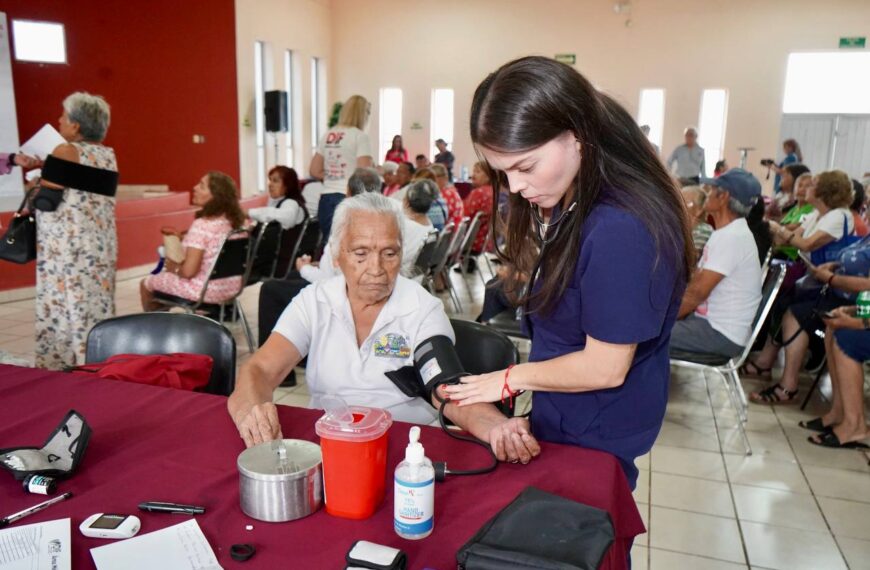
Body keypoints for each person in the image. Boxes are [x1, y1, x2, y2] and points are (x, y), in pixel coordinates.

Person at [443, 57, 692, 494]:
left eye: (525, 166)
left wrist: (506, 379)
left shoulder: (620, 227)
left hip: (595, 430)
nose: (516, 187)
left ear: (577, 136)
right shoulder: (578, 198)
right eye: (504, 172)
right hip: (570, 418)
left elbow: (606, 367)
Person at [229, 192, 542, 467]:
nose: (376, 269)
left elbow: (445, 386)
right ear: (337, 256)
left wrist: (496, 426)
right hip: (328, 445)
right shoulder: (314, 301)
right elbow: (260, 369)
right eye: (361, 253)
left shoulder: (421, 308)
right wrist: (253, 411)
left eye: (389, 253)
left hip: (402, 448)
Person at [747, 171, 857, 402]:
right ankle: (765, 363)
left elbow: (805, 243)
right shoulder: (818, 213)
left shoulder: (838, 216)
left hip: (832, 286)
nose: (807, 187)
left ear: (824, 190)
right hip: (813, 279)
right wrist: (782, 232)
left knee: (793, 311)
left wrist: (780, 230)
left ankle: (788, 385)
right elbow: (789, 238)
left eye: (813, 183)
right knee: (781, 301)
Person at [34, 92, 118, 370]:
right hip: (99, 245)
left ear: (76, 126)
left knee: (62, 307)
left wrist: (35, 175)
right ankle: (96, 361)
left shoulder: (66, 151)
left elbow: (46, 191)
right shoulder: (106, 154)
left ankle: (61, 367)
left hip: (68, 249)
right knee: (93, 306)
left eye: (64, 116)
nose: (59, 120)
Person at [670, 170, 763, 359]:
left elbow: (696, 294)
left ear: (724, 197)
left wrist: (659, 320)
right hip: (712, 325)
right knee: (645, 326)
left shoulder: (732, 238)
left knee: (641, 334)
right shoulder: (729, 233)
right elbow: (695, 285)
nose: (707, 193)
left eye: (712, 190)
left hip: (719, 334)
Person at [140, 172, 247, 311]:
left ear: (216, 196)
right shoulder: (236, 224)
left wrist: (174, 268)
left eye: (202, 186)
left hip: (204, 291)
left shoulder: (202, 225)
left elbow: (188, 272)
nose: (195, 187)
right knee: (165, 283)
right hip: (231, 289)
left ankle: (156, 328)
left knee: (147, 283)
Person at [310, 94, 373, 241]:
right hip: (348, 199)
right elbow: (364, 175)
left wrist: (334, 175)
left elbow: (314, 170)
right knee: (349, 251)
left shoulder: (328, 135)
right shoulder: (359, 136)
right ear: (363, 114)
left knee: (330, 250)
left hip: (326, 199)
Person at [248, 166, 308, 279]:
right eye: (270, 180)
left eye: (275, 181)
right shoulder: (278, 202)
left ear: (287, 184)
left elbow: (284, 218)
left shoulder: (291, 203)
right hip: (273, 260)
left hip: (279, 263)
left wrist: (249, 212)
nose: (270, 184)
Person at [462, 161, 494, 256]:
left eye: (477, 172)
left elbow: (465, 217)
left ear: (488, 176)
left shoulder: (478, 193)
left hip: (472, 242)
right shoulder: (493, 191)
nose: (473, 175)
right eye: (474, 171)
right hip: (486, 241)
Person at [681, 185, 713, 257]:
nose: (679, 207)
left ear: (699, 210)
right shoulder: (683, 231)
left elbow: (691, 259)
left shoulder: (703, 231)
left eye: (686, 203)